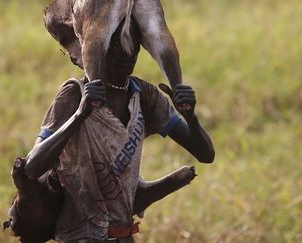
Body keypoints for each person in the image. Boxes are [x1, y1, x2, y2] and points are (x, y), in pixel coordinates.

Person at [23, 20, 215, 242]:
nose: (127, 49)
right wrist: (79, 115)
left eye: (133, 40)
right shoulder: (74, 95)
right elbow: (32, 167)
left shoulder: (144, 96)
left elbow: (206, 155)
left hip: (123, 235)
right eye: (116, 41)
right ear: (96, 46)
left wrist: (190, 117)